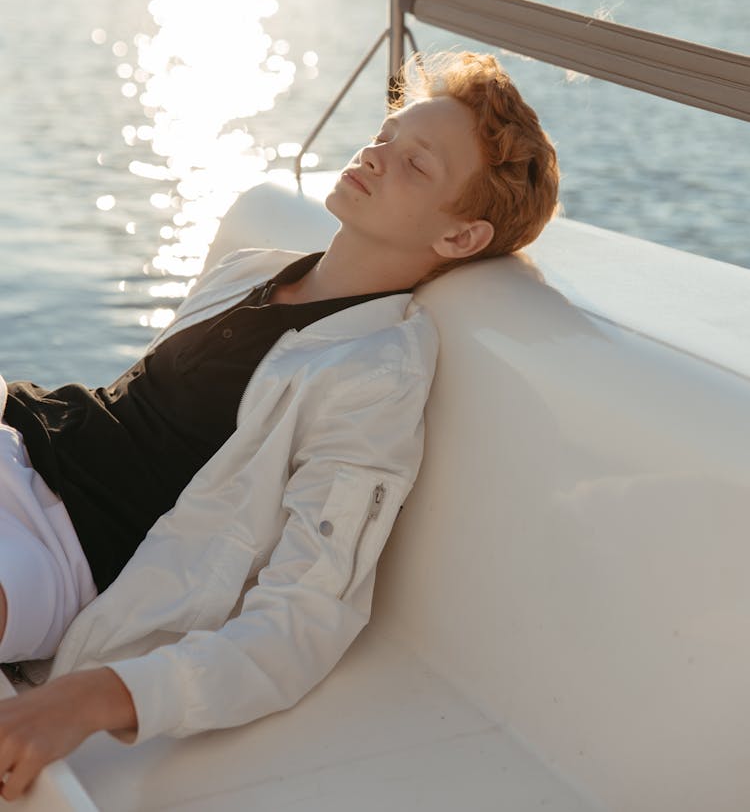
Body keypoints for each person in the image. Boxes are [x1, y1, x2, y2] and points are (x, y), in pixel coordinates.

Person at [0, 50, 560, 800]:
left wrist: (95, 696)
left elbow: (302, 619)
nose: (377, 155)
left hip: (61, 551)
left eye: (415, 165)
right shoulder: (256, 269)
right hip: (23, 438)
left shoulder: (375, 377)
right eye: (388, 135)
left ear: (459, 238)